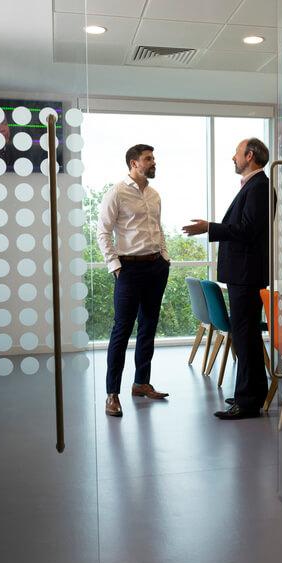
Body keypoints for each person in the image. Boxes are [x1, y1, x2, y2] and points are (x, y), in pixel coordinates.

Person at [183, 138, 270, 420]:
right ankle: (252, 393)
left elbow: (246, 230)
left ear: (250, 155)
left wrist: (209, 227)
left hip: (246, 274)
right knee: (247, 337)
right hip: (243, 274)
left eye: (236, 153)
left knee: (246, 337)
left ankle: (248, 402)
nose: (233, 158)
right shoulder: (253, 186)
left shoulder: (259, 187)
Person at [96, 144, 171, 418]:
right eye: (148, 159)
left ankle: (141, 383)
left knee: (149, 326)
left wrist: (165, 257)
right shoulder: (116, 192)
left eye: (153, 158)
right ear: (133, 163)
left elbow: (158, 228)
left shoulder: (154, 195)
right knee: (121, 330)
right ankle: (111, 394)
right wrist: (115, 266)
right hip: (128, 269)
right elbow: (102, 232)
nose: (154, 162)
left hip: (156, 267)